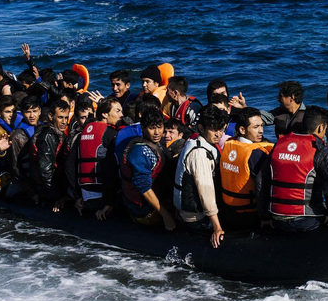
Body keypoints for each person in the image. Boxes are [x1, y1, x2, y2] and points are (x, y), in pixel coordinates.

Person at [258, 106, 328, 231]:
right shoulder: (320, 149)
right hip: (305, 220)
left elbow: (261, 180)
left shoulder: (279, 144)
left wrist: (264, 216)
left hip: (276, 218)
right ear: (321, 127)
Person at [173, 106, 229, 247]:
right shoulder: (199, 154)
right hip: (195, 218)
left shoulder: (196, 142)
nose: (218, 134)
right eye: (213, 130)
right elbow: (205, 191)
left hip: (189, 212)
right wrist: (217, 227)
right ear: (201, 128)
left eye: (221, 129)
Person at [117, 108, 176, 229]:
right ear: (143, 128)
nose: (157, 132)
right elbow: (144, 188)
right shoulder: (140, 152)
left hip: (152, 199)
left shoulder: (154, 144)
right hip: (144, 211)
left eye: (160, 127)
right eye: (152, 128)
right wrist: (166, 216)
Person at [218, 107, 274, 229]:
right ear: (242, 129)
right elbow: (263, 186)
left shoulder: (228, 145)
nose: (261, 131)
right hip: (249, 214)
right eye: (256, 127)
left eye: (261, 126)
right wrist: (265, 217)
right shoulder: (255, 154)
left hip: (227, 210)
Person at [67, 97, 122, 217]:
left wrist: (77, 196)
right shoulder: (111, 134)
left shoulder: (81, 134)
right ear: (105, 114)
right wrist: (109, 202)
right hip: (103, 199)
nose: (121, 115)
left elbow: (70, 165)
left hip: (85, 198)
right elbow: (110, 171)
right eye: (118, 111)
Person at [31, 99, 71, 212]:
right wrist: (58, 196)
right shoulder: (48, 136)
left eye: (66, 118)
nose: (64, 122)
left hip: (54, 186)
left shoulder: (57, 134)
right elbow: (45, 170)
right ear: (50, 116)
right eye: (60, 117)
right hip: (48, 190)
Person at [10, 95, 41, 195]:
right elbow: (15, 167)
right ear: (23, 113)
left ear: (40, 111)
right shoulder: (17, 136)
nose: (32, 116)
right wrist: (31, 191)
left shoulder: (44, 128)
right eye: (28, 112)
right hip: (29, 183)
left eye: (34, 111)